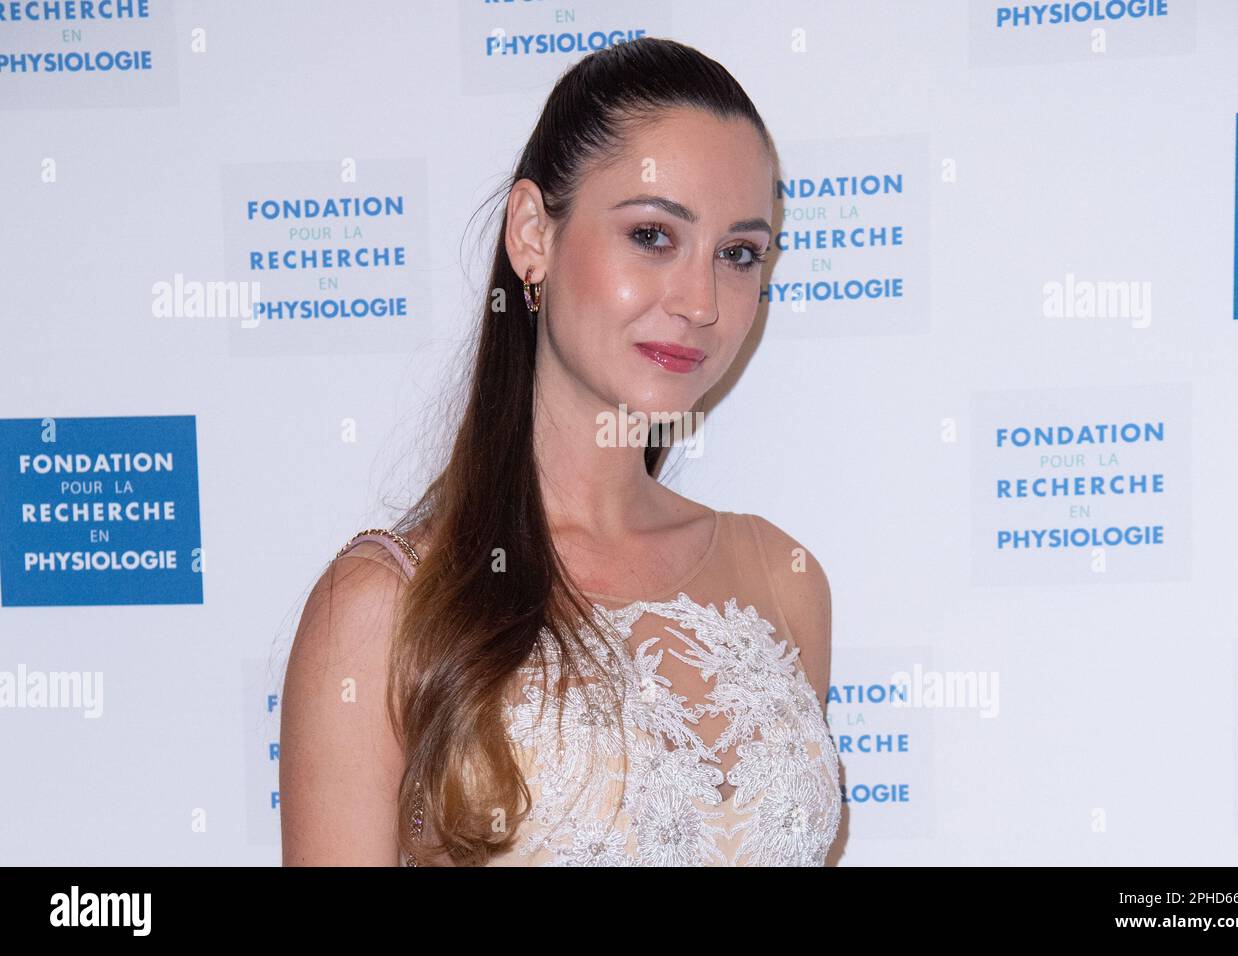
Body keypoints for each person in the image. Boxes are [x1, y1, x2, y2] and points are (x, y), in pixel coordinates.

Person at [279, 37, 840, 867]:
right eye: (653, 235)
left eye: (739, 254)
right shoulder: (381, 611)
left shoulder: (783, 580)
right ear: (532, 235)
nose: (701, 302)